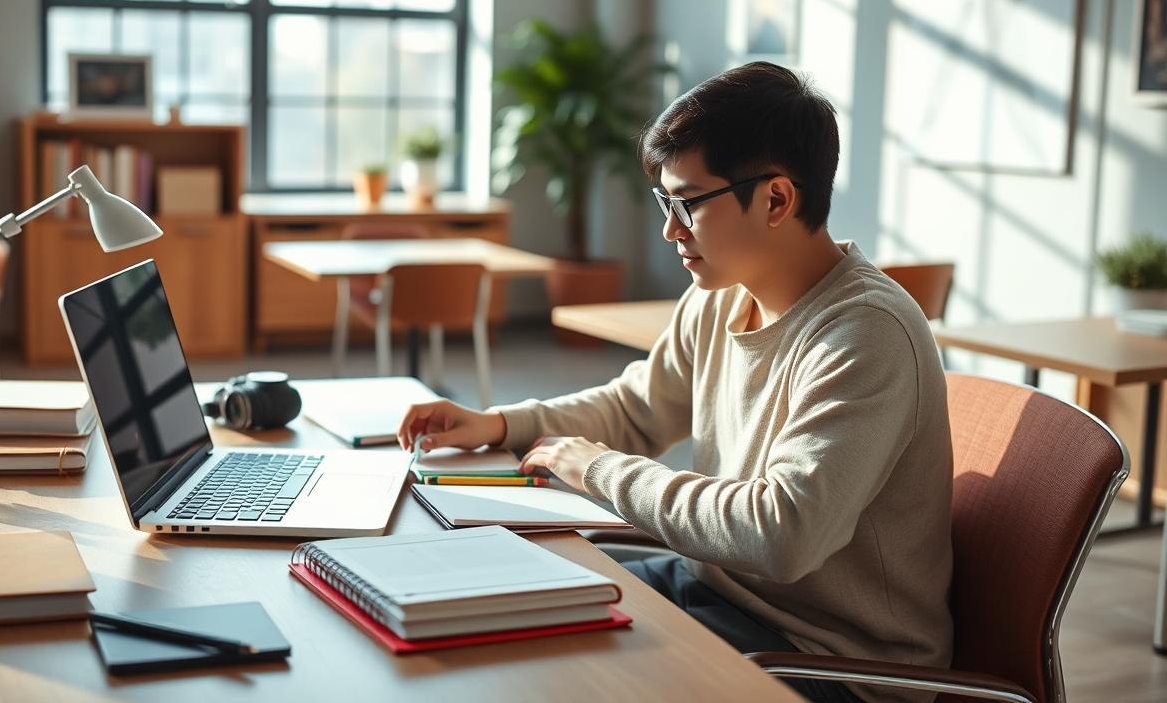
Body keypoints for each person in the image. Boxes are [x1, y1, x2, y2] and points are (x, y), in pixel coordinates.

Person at [397, 62, 952, 703]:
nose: (670, 229)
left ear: (776, 199)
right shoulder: (721, 294)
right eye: (666, 203)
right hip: (716, 593)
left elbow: (783, 535)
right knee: (505, 608)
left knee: (563, 674)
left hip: (831, 660)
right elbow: (637, 409)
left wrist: (596, 469)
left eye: (688, 203)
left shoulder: (866, 334)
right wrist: (501, 425)